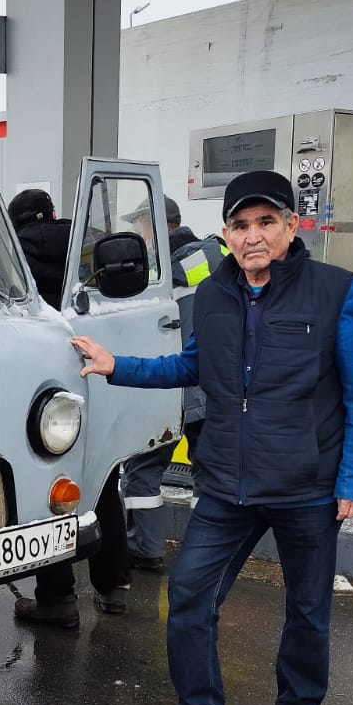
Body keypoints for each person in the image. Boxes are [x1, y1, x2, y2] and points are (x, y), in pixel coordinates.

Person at [71, 170, 353, 705]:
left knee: (309, 610)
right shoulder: (213, 294)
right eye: (241, 225)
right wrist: (118, 365)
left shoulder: (338, 292)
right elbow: (190, 367)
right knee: (189, 595)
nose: (253, 236)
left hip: (306, 487)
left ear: (293, 226)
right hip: (227, 485)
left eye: (267, 222)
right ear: (227, 233)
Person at [7, 187, 131, 630]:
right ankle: (114, 586)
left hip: (38, 391)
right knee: (102, 478)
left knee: (47, 487)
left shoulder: (10, 252)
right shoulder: (89, 243)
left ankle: (57, 598)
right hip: (98, 374)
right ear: (54, 212)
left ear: (14, 220)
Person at [119, 196, 228, 571]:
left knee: (143, 467)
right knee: (207, 473)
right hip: (215, 389)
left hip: (172, 386)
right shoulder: (221, 257)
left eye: (141, 229)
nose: (140, 236)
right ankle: (206, 553)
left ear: (156, 226)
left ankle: (145, 549)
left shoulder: (164, 269)